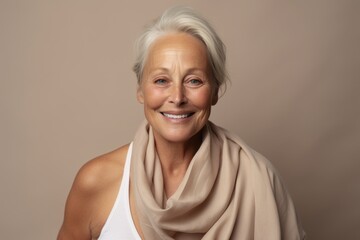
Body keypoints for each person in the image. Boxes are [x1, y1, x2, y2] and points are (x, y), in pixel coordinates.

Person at [57, 6, 306, 240]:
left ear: (215, 91)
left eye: (194, 81)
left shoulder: (258, 181)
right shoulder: (96, 181)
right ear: (140, 90)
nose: (177, 97)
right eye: (161, 81)